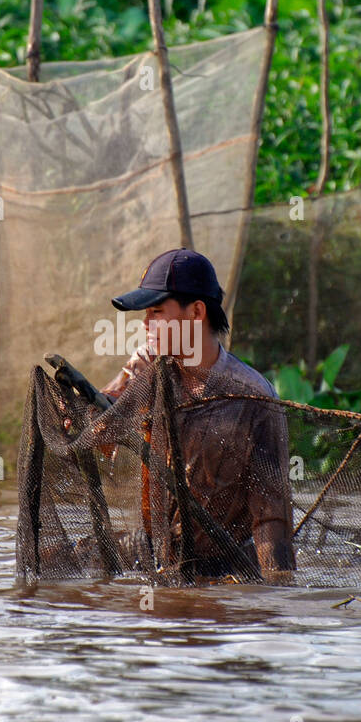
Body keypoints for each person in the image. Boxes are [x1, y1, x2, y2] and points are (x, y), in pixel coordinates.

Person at [102, 248, 295, 584]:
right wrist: (120, 385)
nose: (146, 324)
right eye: (146, 314)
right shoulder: (152, 372)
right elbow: (103, 432)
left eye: (157, 312)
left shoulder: (252, 398)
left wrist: (276, 592)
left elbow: (271, 517)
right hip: (155, 553)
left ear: (196, 312)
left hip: (223, 567)